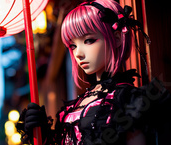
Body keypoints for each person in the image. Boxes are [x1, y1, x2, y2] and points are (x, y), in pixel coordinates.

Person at [16, 0, 171, 144]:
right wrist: (43, 135)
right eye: (73, 46)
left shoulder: (129, 100)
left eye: (88, 40)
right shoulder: (78, 102)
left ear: (117, 38)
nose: (78, 54)